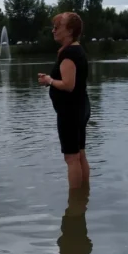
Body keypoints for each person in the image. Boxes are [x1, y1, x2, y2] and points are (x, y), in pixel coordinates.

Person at [38, 12, 91, 189]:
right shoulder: (77, 49)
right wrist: (51, 81)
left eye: (57, 27)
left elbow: (68, 85)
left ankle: (75, 203)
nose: (53, 31)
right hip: (80, 107)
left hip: (70, 112)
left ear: (69, 31)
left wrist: (49, 81)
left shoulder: (68, 53)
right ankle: (83, 196)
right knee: (80, 154)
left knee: (71, 157)